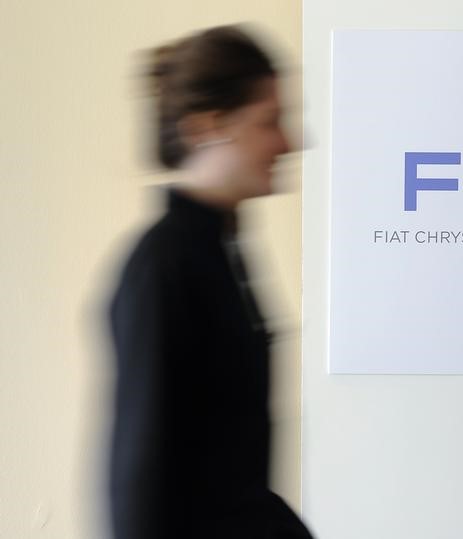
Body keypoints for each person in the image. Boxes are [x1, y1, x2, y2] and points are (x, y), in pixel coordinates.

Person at [107, 25, 312, 539]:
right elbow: (140, 478)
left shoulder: (220, 252)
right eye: (271, 121)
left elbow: (229, 476)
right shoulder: (164, 265)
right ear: (206, 127)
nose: (290, 141)